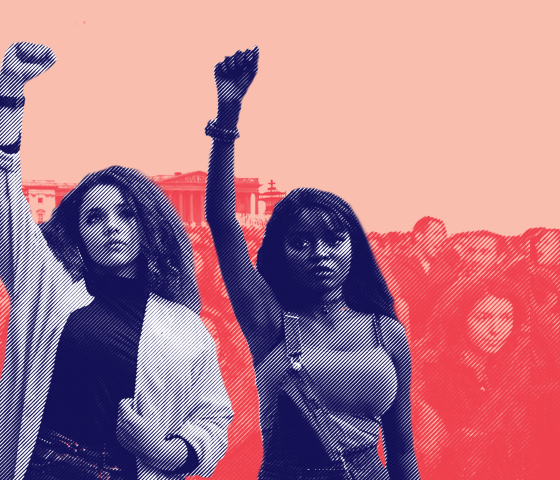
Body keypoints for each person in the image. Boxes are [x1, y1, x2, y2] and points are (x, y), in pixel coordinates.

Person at [0, 42, 232, 480]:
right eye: (95, 217)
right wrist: (9, 97)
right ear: (78, 232)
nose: (111, 227)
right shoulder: (48, 288)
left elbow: (214, 421)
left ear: (149, 227)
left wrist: (167, 451)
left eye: (126, 214)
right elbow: (4, 201)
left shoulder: (185, 327)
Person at [205, 47, 420, 480]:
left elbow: (400, 452)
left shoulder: (386, 331)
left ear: (354, 247)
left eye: (335, 239)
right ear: (281, 254)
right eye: (301, 242)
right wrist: (228, 113)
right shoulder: (269, 322)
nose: (321, 253)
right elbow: (222, 221)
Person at [419, 278, 531, 479]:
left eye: (506, 318)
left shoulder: (509, 370)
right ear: (460, 318)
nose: (496, 330)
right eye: (483, 317)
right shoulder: (432, 376)